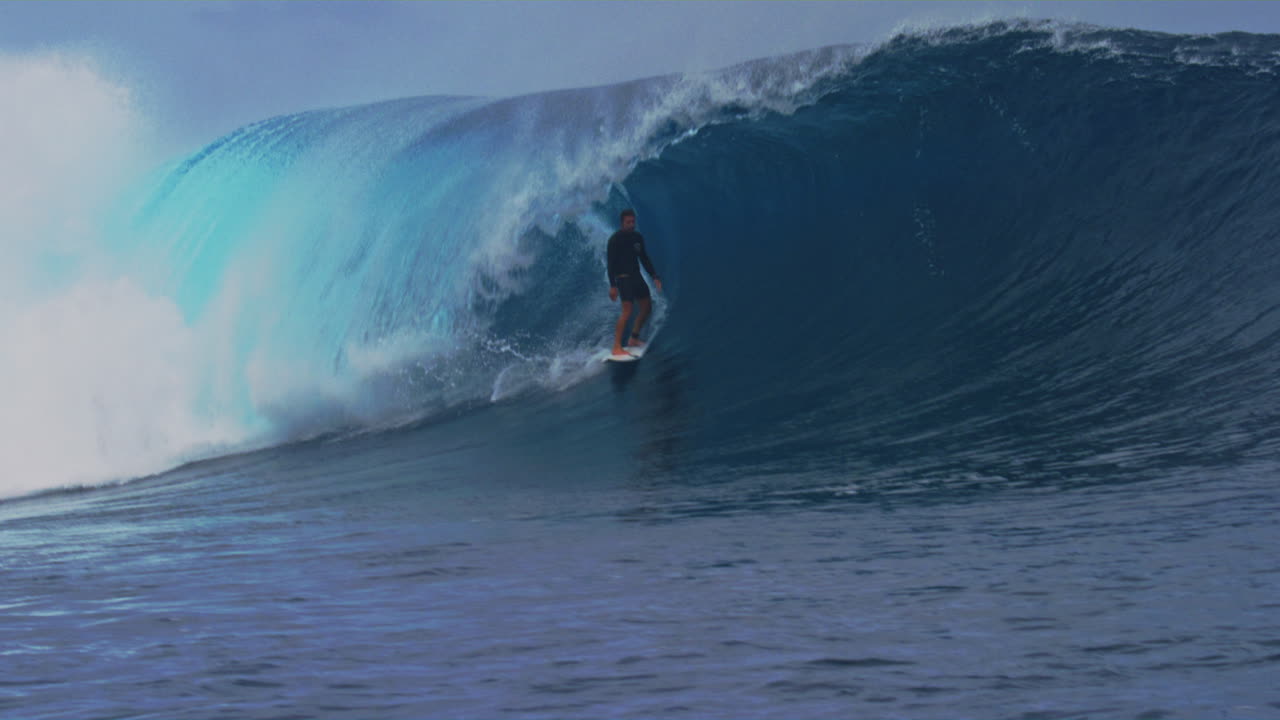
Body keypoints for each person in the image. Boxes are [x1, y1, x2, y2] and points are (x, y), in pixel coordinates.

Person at [606, 208, 662, 357]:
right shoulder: (614, 240)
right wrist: (613, 286)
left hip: (637, 276)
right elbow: (610, 265)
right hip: (623, 278)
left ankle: (634, 339)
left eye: (633, 222)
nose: (631, 224)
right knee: (627, 311)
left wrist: (654, 276)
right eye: (628, 222)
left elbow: (644, 258)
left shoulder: (637, 238)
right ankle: (616, 347)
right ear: (622, 223)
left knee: (647, 307)